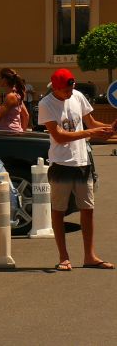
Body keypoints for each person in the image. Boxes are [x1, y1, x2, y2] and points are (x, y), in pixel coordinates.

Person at [38, 68, 116, 271]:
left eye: (72, 87)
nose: (70, 92)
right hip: (61, 165)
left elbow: (91, 123)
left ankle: (90, 256)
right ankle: (64, 257)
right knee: (59, 211)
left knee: (88, 210)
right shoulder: (46, 104)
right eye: (66, 89)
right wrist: (92, 132)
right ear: (55, 87)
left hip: (83, 163)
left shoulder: (78, 96)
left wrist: (108, 129)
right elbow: (59, 136)